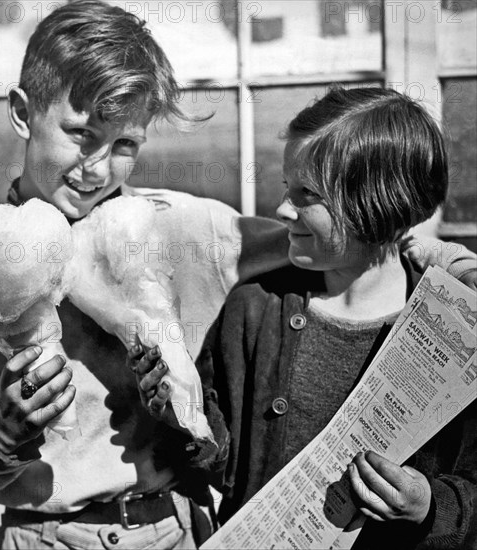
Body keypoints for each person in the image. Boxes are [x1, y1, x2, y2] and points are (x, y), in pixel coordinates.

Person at [0, 1, 475, 547]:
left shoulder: (184, 230)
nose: (96, 168)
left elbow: (345, 230)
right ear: (23, 111)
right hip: (42, 535)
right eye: (80, 133)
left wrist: (448, 267)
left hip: (176, 528)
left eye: (124, 145)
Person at [134, 87, 477, 550]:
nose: (281, 210)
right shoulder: (253, 308)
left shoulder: (460, 331)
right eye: (285, 188)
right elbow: (224, 463)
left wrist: (429, 507)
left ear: (379, 205)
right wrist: (186, 419)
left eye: (307, 195)